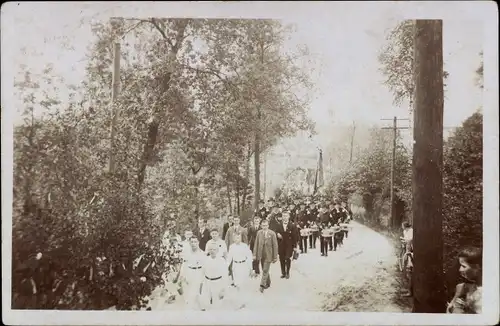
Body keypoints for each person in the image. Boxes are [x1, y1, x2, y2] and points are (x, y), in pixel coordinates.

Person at [447, 247, 482, 314]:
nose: (460, 270)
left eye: (463, 266)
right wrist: (457, 295)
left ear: (477, 268)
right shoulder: (466, 287)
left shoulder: (487, 292)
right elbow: (449, 311)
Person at [199, 243, 229, 310]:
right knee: (206, 304)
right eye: (210, 249)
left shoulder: (221, 261)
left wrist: (223, 290)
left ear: (217, 250)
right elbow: (202, 273)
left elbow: (225, 276)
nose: (212, 251)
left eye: (214, 249)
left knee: (217, 305)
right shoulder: (205, 260)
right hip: (207, 283)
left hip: (217, 283)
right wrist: (201, 285)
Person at [178, 236, 205, 310]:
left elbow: (204, 267)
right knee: (189, 294)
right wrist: (182, 276)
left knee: (198, 294)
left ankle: (201, 309)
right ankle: (190, 309)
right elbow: (184, 265)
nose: (193, 243)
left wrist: (203, 279)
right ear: (190, 243)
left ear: (198, 243)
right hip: (189, 273)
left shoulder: (202, 253)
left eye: (195, 242)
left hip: (198, 273)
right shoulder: (187, 253)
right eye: (192, 242)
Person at [227, 232, 253, 307]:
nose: (237, 239)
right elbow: (229, 258)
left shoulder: (244, 246)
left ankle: (242, 301)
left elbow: (249, 257)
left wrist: (250, 269)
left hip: (243, 266)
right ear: (233, 238)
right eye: (236, 237)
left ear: (241, 238)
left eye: (239, 237)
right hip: (235, 266)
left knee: (242, 284)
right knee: (237, 284)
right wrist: (225, 267)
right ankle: (241, 299)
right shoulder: (231, 247)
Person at [253, 219, 278, 293]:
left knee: (265, 270)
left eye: (266, 225)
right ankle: (268, 282)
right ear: (261, 226)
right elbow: (256, 244)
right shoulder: (259, 233)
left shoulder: (272, 233)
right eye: (263, 226)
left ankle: (262, 286)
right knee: (264, 269)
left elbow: (275, 245)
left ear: (268, 225)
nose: (265, 227)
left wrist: (275, 256)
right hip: (261, 254)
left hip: (269, 255)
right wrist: (255, 254)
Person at [275, 211, 298, 279]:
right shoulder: (279, 225)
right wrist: (277, 234)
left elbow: (295, 237)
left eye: (286, 216)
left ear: (288, 217)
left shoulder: (292, 225)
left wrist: (295, 247)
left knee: (288, 258)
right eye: (283, 216)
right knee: (281, 258)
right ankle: (283, 273)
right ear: (282, 217)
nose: (284, 217)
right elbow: (275, 231)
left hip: (289, 245)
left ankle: (287, 272)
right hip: (281, 244)